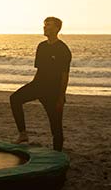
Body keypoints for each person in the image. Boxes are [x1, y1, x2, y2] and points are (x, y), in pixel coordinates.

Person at [10, 17, 71, 151]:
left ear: (56, 28)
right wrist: (33, 86)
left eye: (48, 25)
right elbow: (40, 70)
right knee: (14, 99)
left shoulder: (63, 49)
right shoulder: (41, 46)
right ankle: (23, 134)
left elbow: (64, 75)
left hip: (52, 91)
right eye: (44, 25)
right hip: (38, 85)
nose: (45, 27)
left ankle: (57, 153)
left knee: (55, 126)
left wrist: (61, 97)